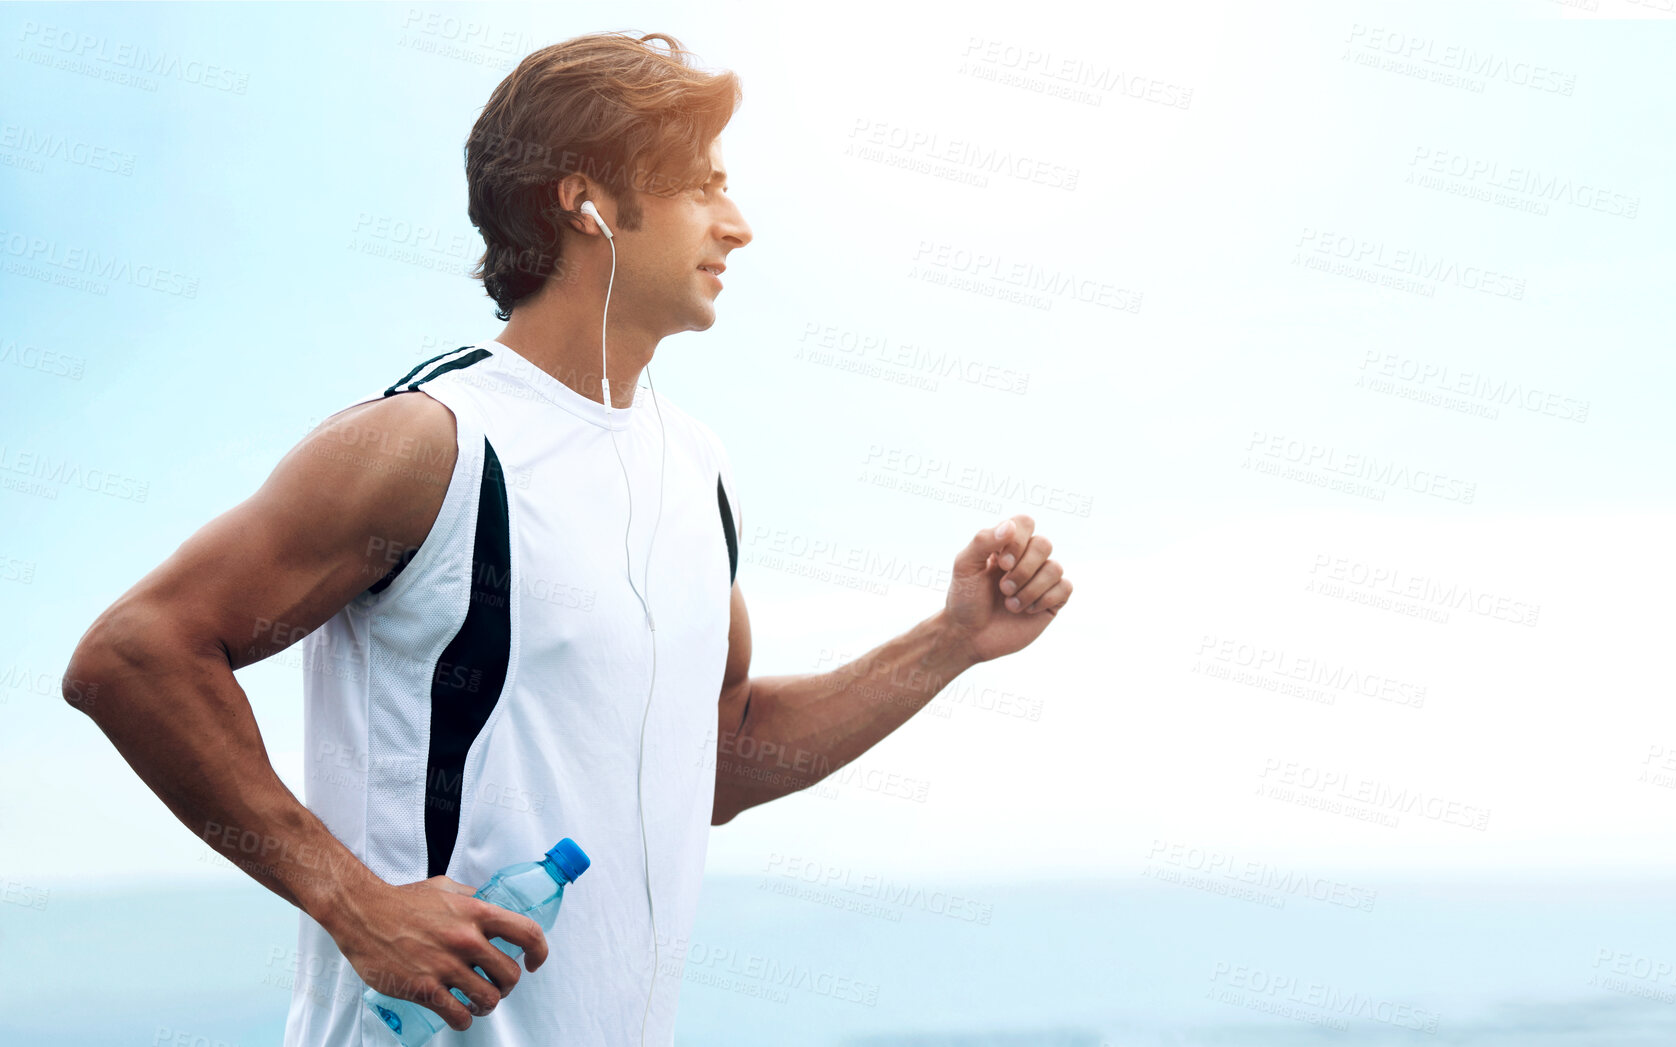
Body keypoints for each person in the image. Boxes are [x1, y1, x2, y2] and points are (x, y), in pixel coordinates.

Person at [60, 29, 1073, 1047]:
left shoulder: (697, 468)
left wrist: (949, 643)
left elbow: (715, 760)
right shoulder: (431, 444)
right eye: (700, 188)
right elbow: (134, 655)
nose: (741, 226)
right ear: (585, 201)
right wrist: (353, 901)